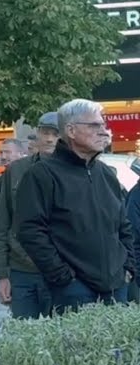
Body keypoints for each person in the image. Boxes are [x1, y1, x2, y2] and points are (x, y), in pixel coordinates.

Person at [17, 99, 133, 312]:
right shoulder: (42, 174)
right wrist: (62, 277)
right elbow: (30, 230)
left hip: (116, 288)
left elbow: (123, 225)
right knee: (78, 346)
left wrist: (127, 268)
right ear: (70, 130)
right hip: (73, 290)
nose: (103, 131)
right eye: (94, 125)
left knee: (115, 347)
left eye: (103, 125)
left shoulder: (106, 174)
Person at [0, 113, 58, 319]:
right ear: (36, 135)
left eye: (55, 134)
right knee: (23, 335)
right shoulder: (17, 170)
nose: (49, 139)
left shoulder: (71, 171)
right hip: (21, 269)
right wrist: (2, 275)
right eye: (45, 133)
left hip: (59, 269)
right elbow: (2, 223)